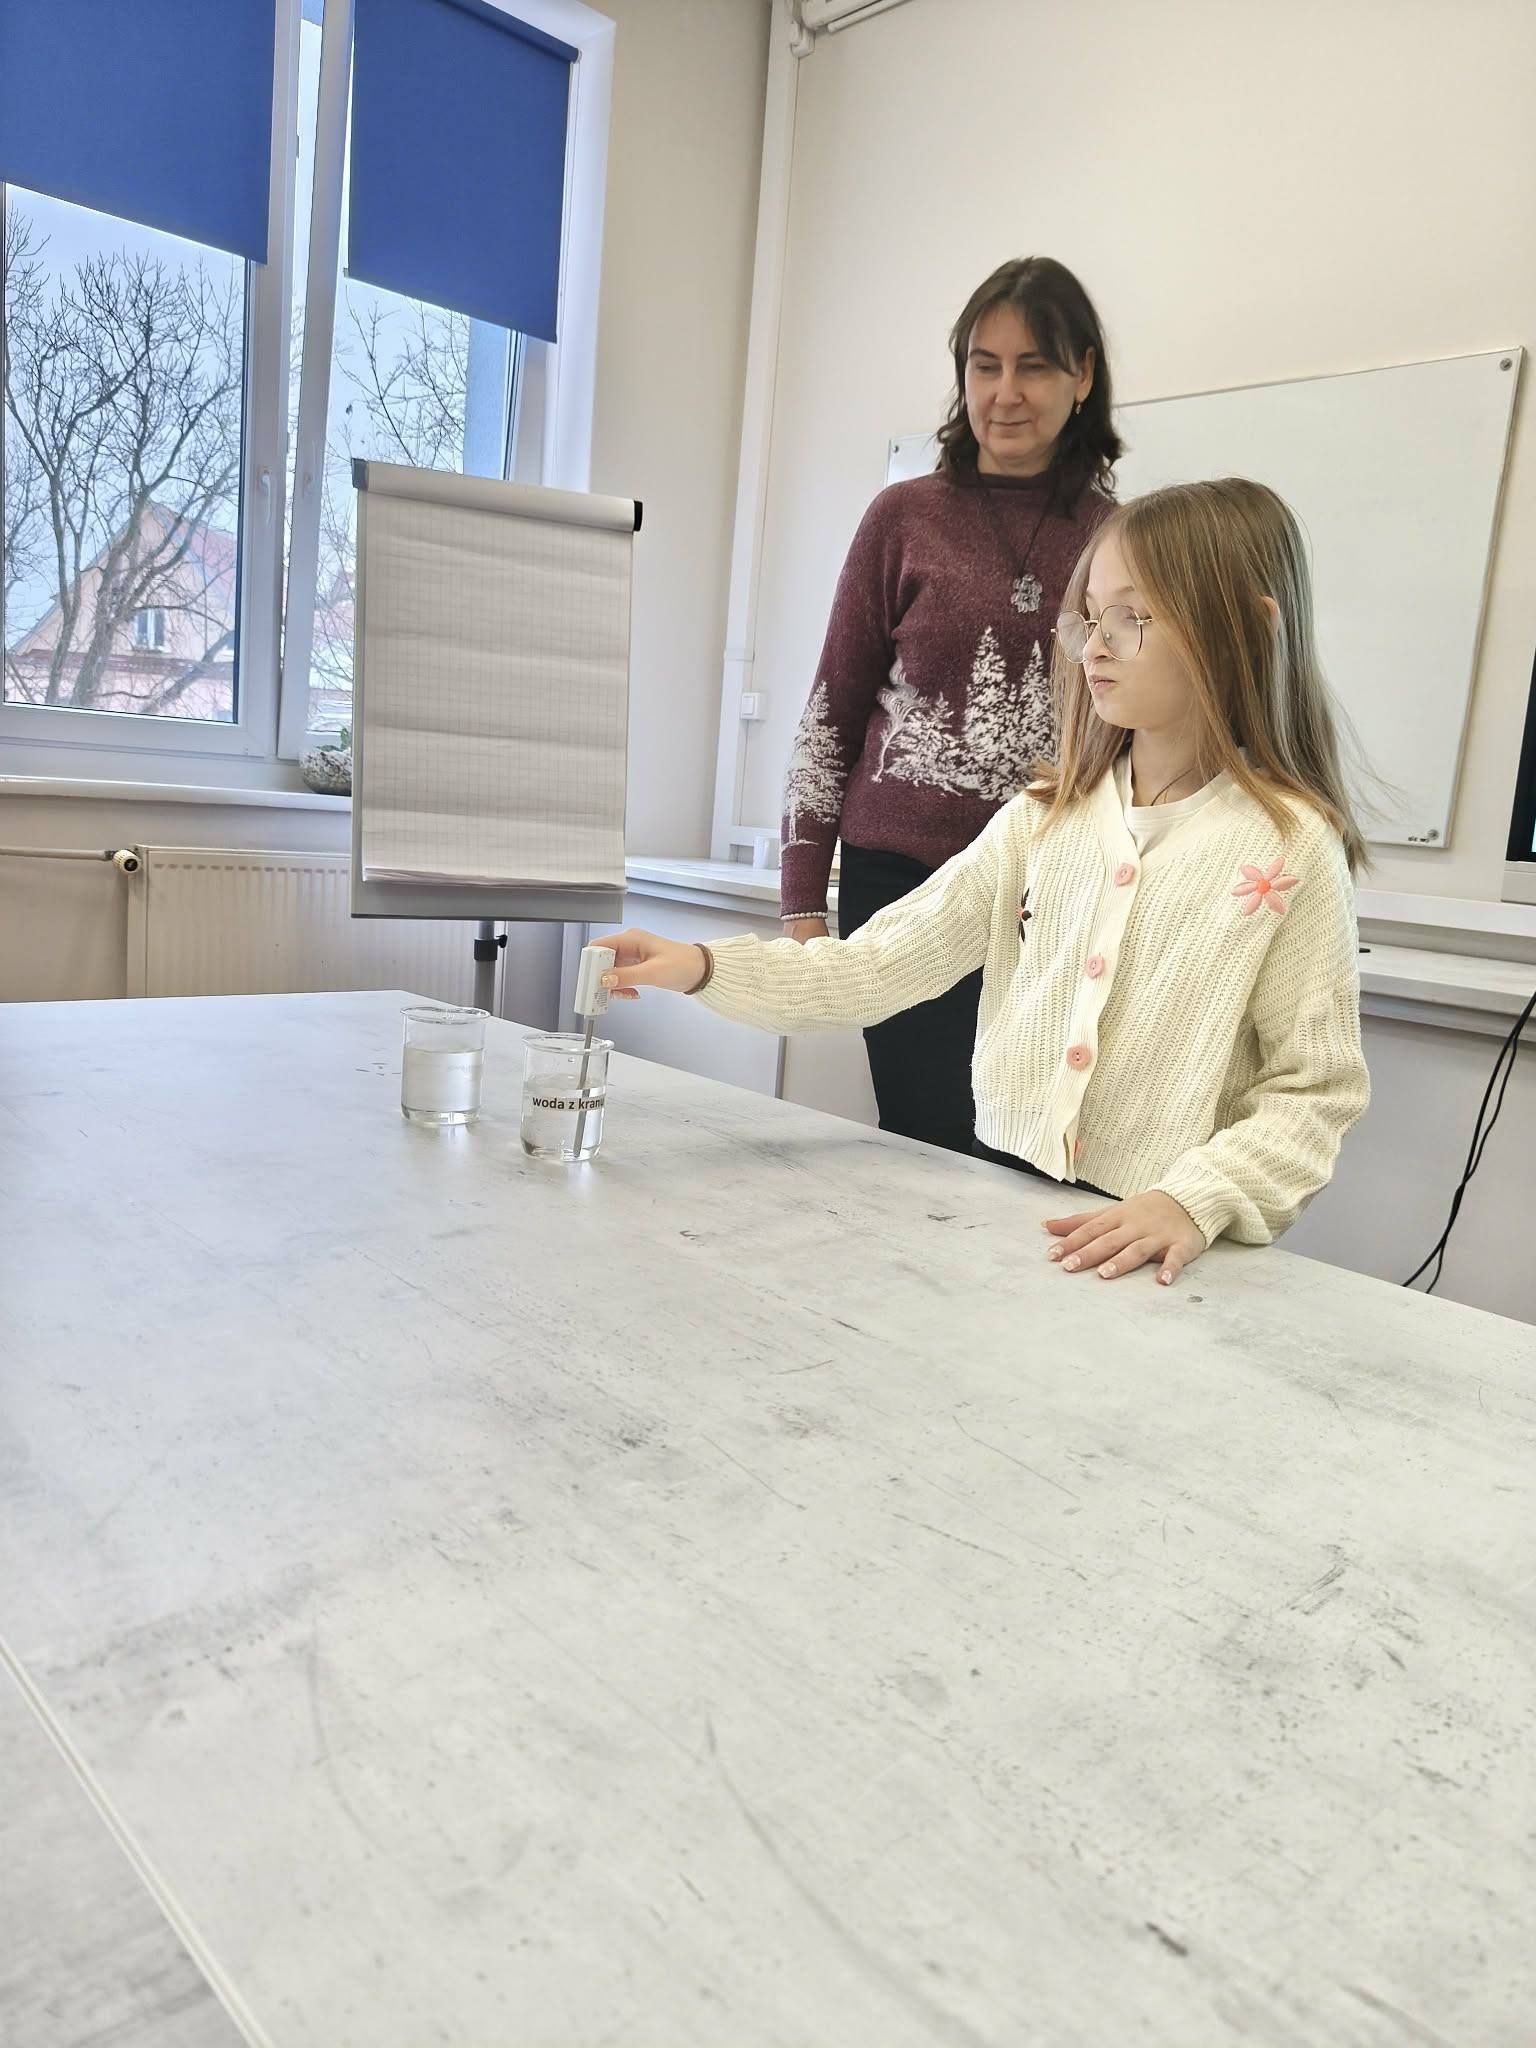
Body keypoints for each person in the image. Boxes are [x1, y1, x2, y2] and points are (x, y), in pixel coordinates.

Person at [596, 479, 1371, 1291]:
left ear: (1248, 628)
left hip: (1162, 1255)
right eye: (1089, 618)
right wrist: (703, 966)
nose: (1093, 648)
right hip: (1002, 1208)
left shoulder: (1290, 847)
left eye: (1131, 618)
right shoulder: (1042, 821)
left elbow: (1314, 1090)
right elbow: (877, 967)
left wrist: (1193, 1199)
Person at [778, 256, 1118, 1155]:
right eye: (984, 365)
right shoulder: (902, 517)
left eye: (1033, 366)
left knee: (1028, 1141)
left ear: (1083, 375)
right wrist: (803, 902)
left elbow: (1128, 729)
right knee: (923, 1134)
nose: (1005, 393)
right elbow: (832, 711)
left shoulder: (1116, 539)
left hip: (1049, 891)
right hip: (899, 880)